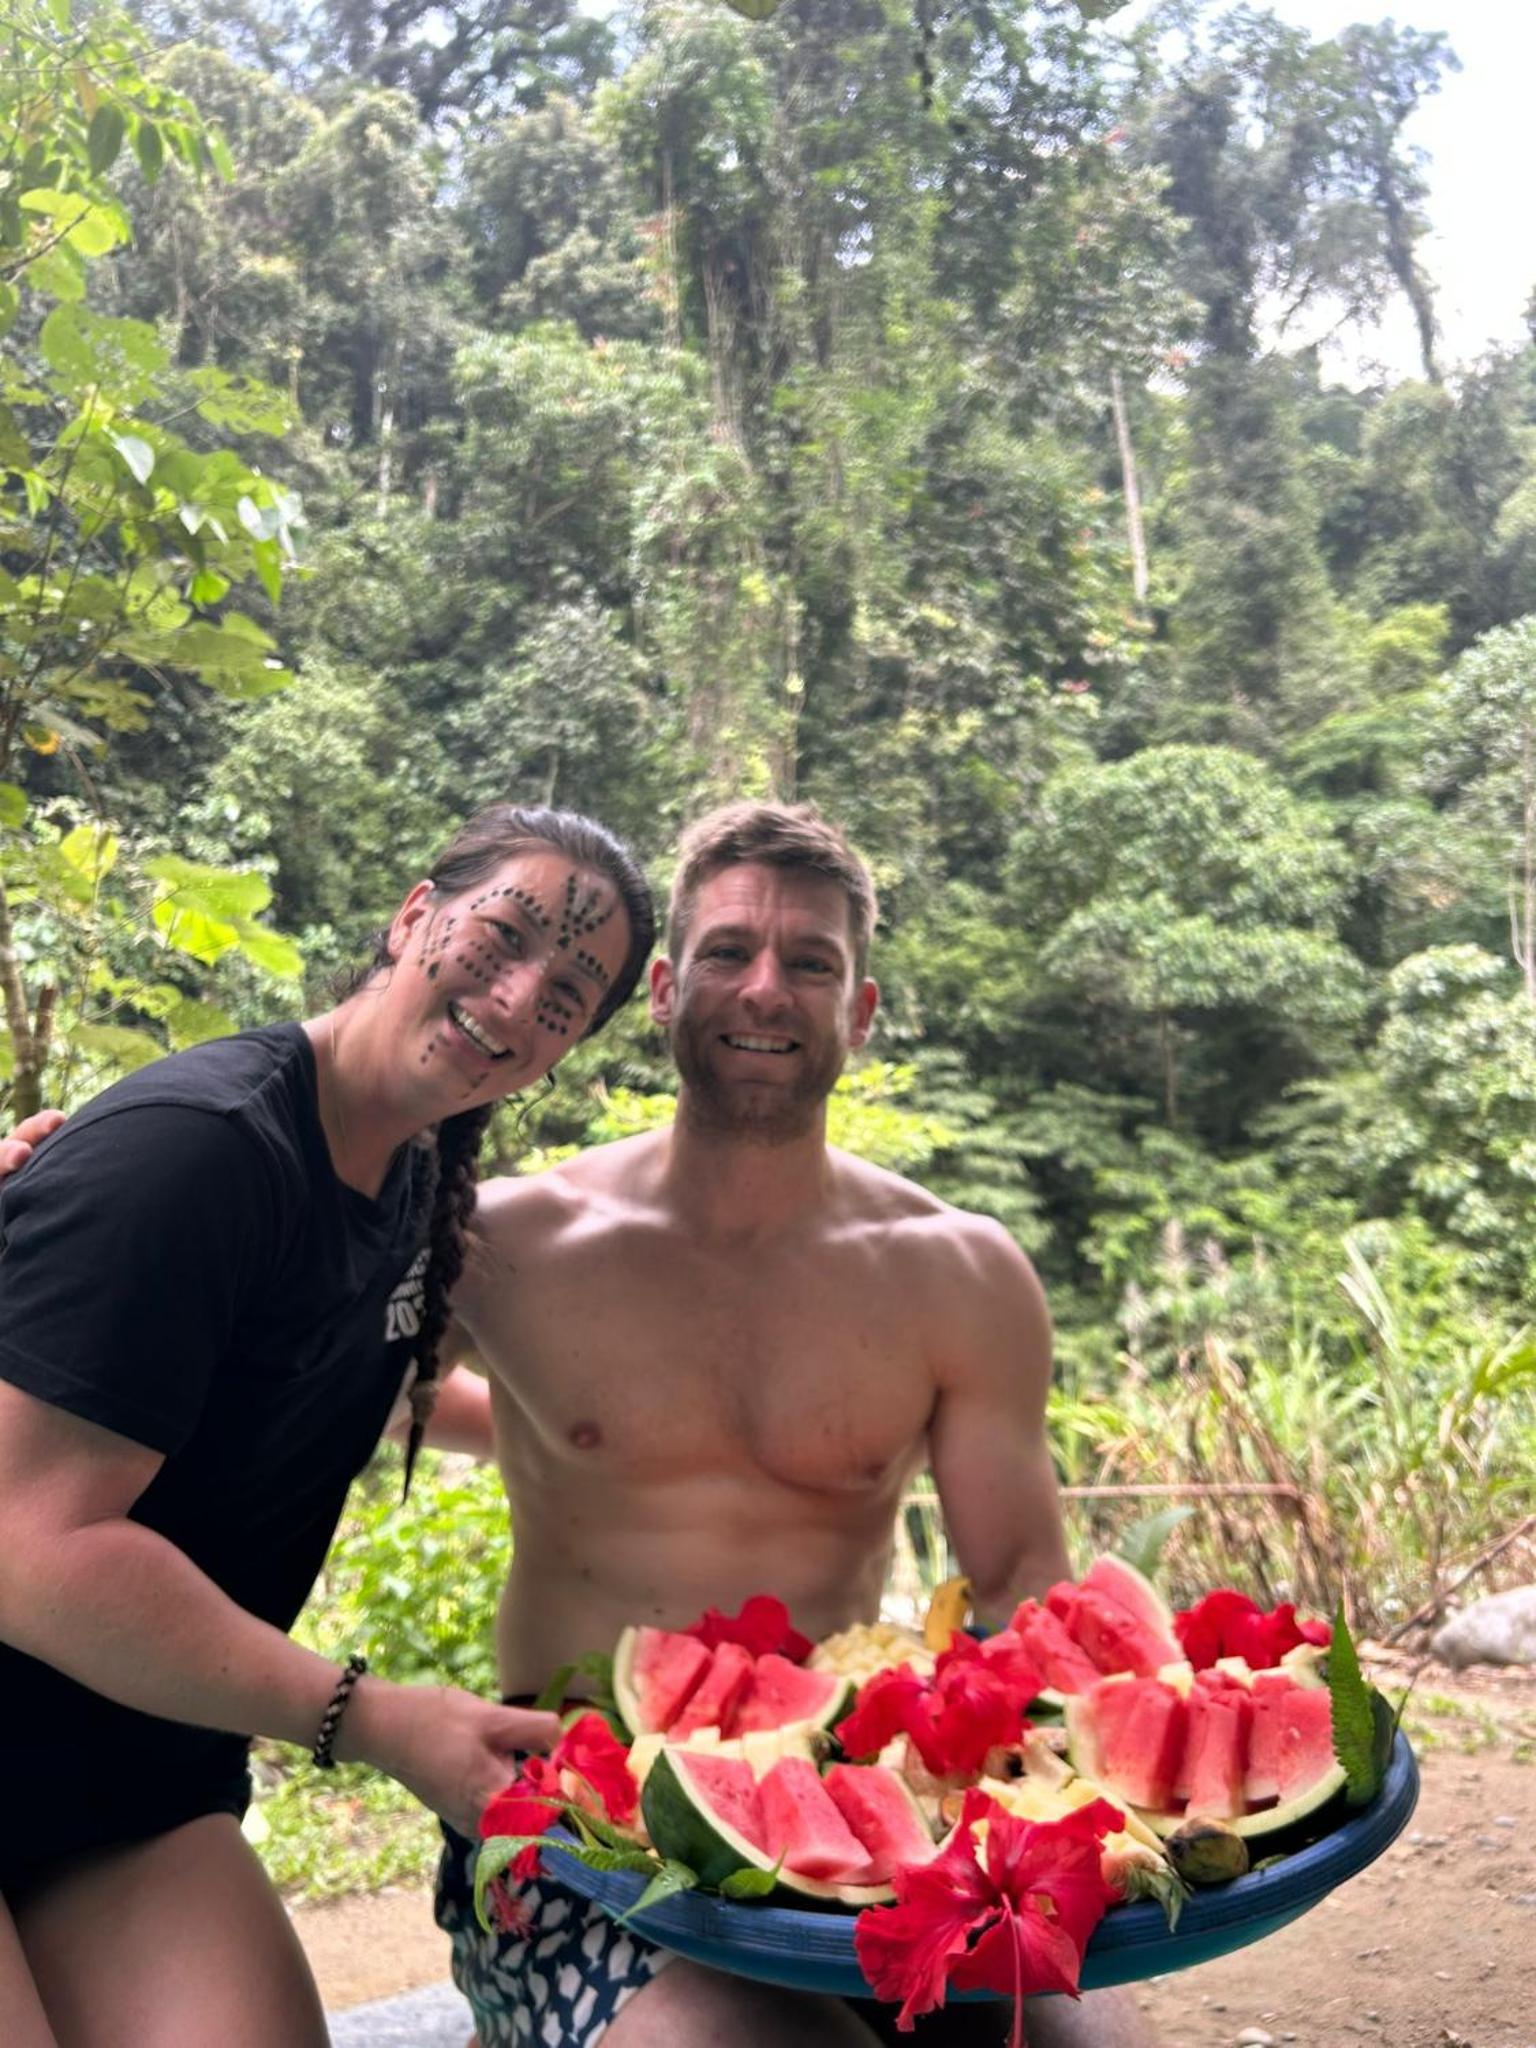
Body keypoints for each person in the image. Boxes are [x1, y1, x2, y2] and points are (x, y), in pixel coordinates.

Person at [431, 802, 1157, 2048]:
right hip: (572, 1815)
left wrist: (1140, 1771)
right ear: (664, 989)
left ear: (859, 1011)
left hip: (861, 1798)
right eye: (727, 950)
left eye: (810, 962)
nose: (765, 987)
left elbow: (1023, 1585)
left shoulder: (958, 1273)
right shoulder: (508, 1240)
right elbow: (321, 1406)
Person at [0, 803, 654, 2048]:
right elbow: (23, 1544)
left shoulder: (406, 1173)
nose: (520, 996)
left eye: (569, 992)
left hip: (122, 1767)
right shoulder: (199, 1152)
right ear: (414, 915)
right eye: (505, 934)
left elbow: (319, 1377)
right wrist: (372, 1714)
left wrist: (602, 1445)